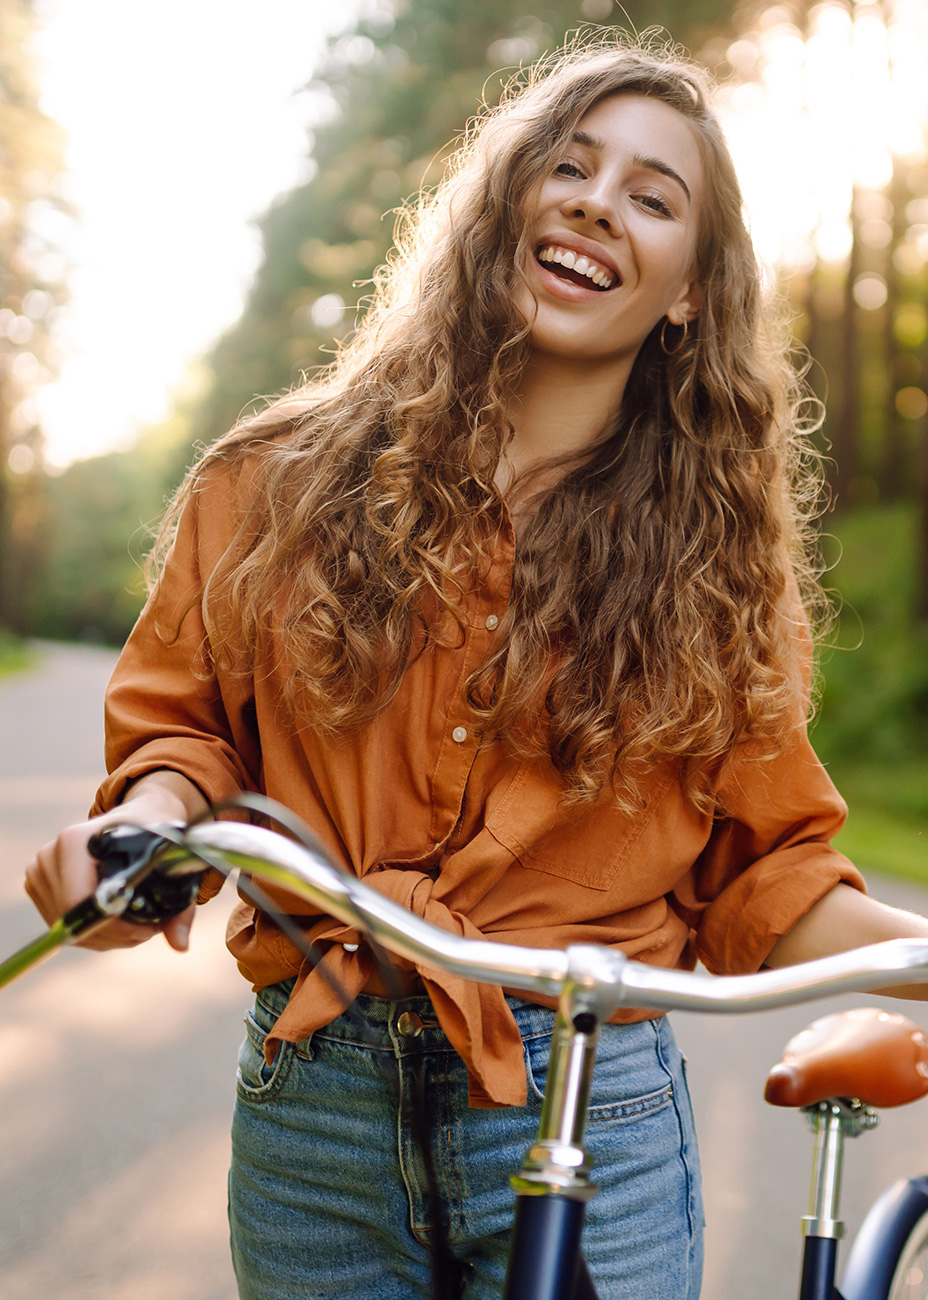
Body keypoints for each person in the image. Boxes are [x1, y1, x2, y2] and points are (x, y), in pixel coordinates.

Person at [23, 33, 928, 1300]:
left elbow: (764, 872)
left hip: (586, 1104)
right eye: (569, 164)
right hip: (314, 1108)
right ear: (504, 204)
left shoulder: (715, 567)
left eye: (651, 197)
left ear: (686, 292)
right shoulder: (271, 481)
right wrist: (147, 828)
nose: (597, 200)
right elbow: (187, 737)